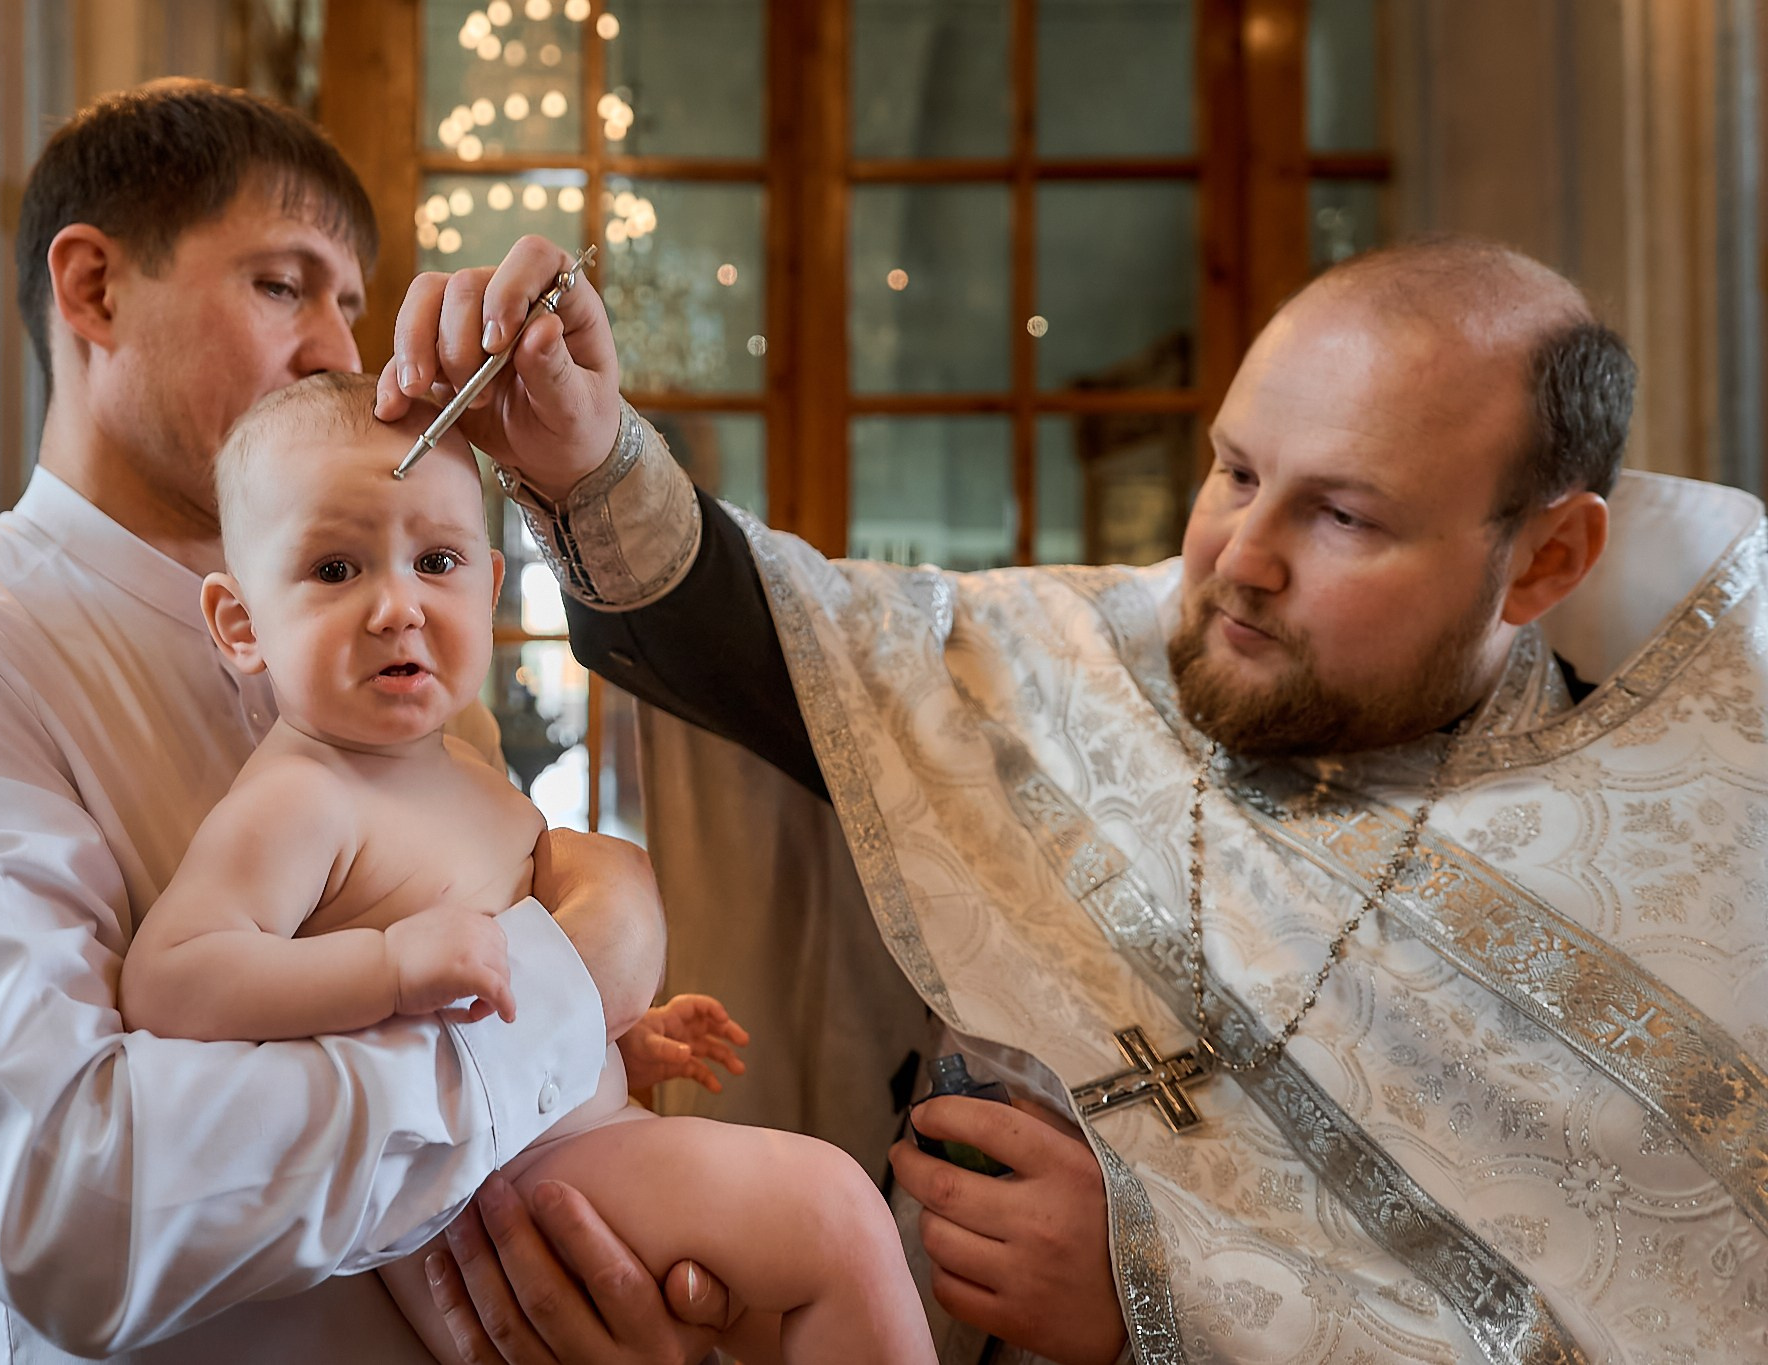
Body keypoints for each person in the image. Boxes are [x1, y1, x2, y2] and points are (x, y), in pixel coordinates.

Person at [378, 233, 1768, 1363]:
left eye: (1344, 517)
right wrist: (582, 449)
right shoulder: (1085, 660)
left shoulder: (1701, 873)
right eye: (1234, 471)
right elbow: (780, 644)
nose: (1241, 558)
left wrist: (1162, 1299)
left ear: (1542, 564)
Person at [0, 82, 729, 1365]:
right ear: (93, 291)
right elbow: (81, 1206)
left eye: (351, 305)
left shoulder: (398, 663)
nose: (336, 351)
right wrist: (566, 980)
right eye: (283, 285)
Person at [117, 371, 936, 1364]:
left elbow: (513, 997)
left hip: (561, 1144)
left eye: (436, 560)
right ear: (240, 623)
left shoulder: (455, 764)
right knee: (838, 1214)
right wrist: (389, 967)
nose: (397, 607)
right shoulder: (304, 795)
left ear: (491, 588)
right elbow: (172, 978)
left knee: (780, 1309)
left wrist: (615, 1039)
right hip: (491, 1193)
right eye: (335, 570)